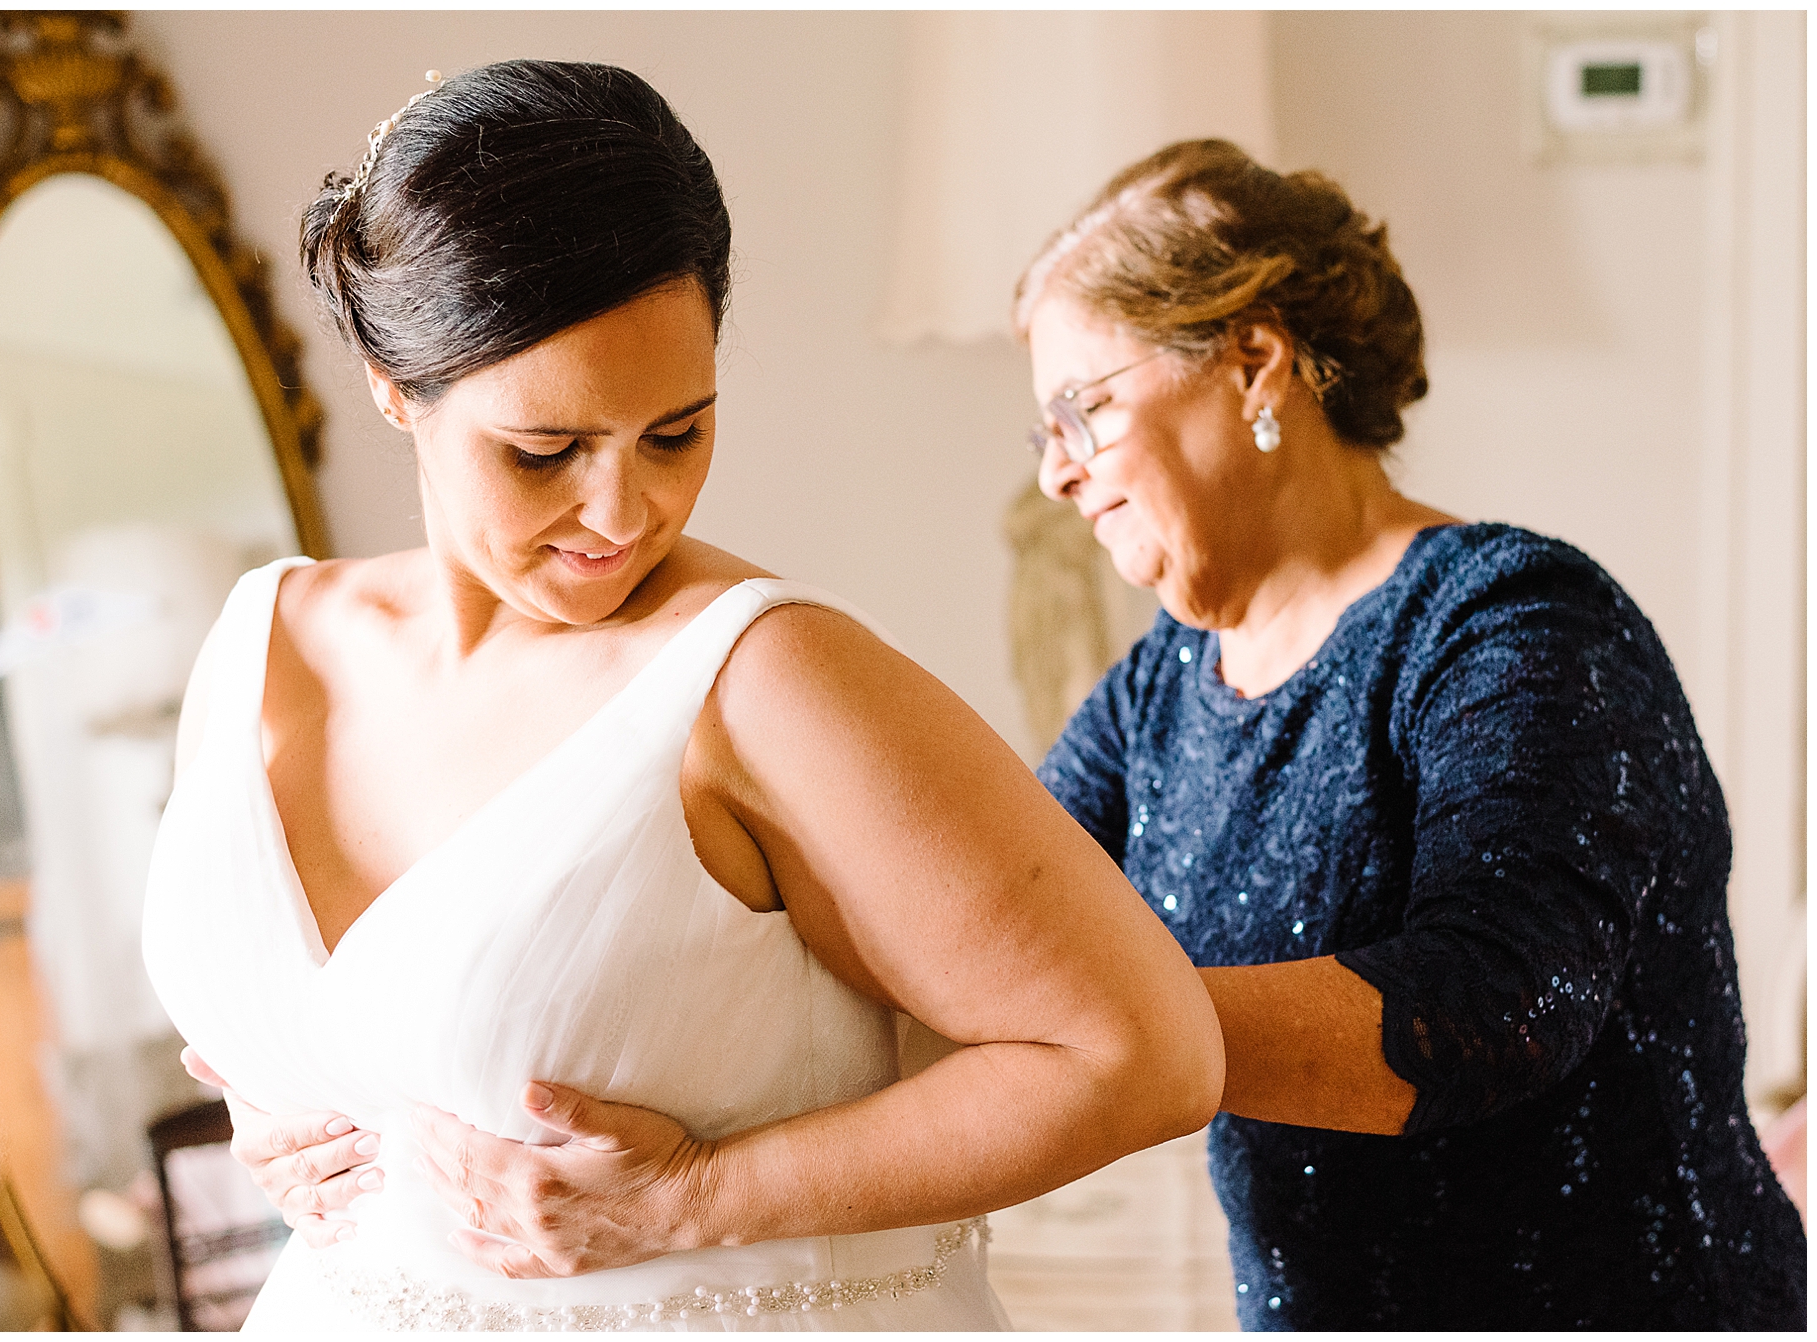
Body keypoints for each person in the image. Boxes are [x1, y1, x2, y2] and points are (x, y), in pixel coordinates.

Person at [227, 138, 1808, 1329]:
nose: (1057, 472)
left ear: (1254, 362)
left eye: (1081, 409)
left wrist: (1089, 1019)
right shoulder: (1159, 693)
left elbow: (1491, 1009)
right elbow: (909, 960)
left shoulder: (1513, 620)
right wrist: (395, 1069)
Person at [142, 61, 1226, 1332]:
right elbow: (358, 1037)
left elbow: (1143, 1054)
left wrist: (685, 1200)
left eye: (676, 432)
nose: (624, 512)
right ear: (395, 385)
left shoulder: (763, 677)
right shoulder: (257, 642)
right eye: (544, 451)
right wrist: (274, 1115)